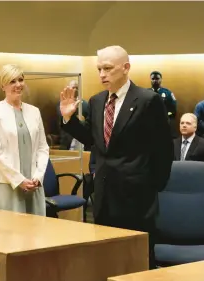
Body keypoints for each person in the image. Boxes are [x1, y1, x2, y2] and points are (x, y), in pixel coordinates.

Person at [59, 46, 173, 269]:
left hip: (137, 197)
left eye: (108, 68)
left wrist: (152, 185)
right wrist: (69, 120)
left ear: (126, 68)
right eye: (99, 69)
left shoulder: (148, 100)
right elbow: (95, 141)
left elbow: (163, 149)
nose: (102, 74)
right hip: (103, 195)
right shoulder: (96, 101)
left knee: (137, 261)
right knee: (106, 259)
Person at [0, 64, 49, 216]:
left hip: (34, 184)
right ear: (2, 85)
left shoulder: (34, 111)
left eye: (21, 80)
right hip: (5, 183)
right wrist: (19, 180)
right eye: (12, 81)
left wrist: (38, 176)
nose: (18, 85)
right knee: (9, 235)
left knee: (36, 233)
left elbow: (42, 147)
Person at [56, 80, 91, 151]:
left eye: (77, 88)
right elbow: (62, 121)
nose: (75, 90)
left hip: (82, 143)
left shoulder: (85, 104)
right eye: (73, 87)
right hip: (66, 142)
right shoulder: (62, 104)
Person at [150, 71, 178, 137]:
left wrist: (165, 116)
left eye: (157, 79)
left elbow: (173, 110)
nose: (155, 81)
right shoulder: (146, 93)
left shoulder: (168, 93)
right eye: (153, 79)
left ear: (161, 79)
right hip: (150, 124)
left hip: (165, 123)